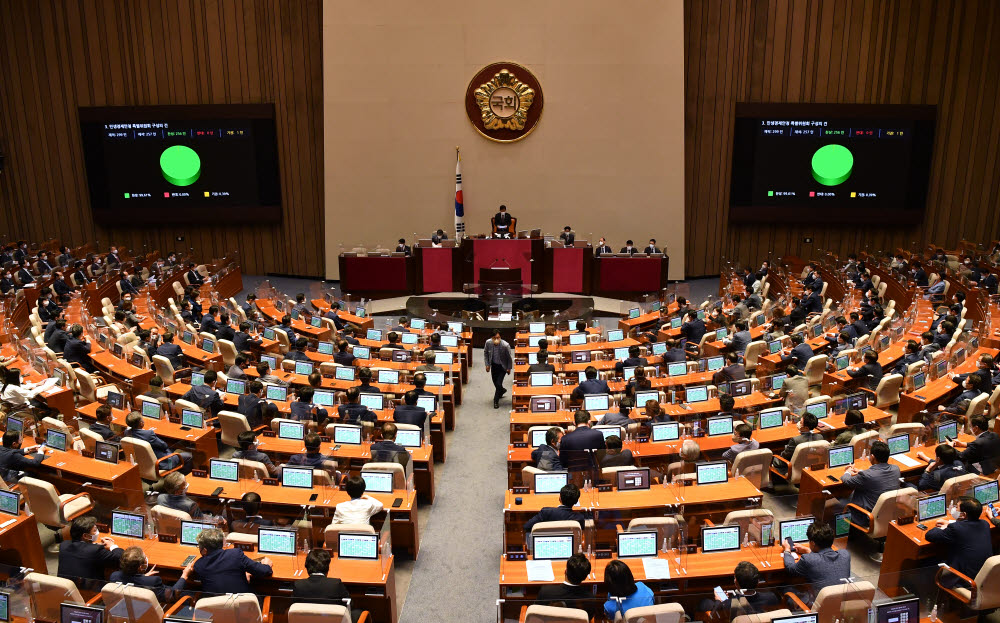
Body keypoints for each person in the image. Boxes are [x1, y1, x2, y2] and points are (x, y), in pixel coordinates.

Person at [925, 497, 993, 586]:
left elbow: (930, 535)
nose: (954, 509)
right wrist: (951, 524)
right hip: (985, 576)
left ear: (963, 515)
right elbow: (966, 527)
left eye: (956, 507)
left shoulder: (956, 528)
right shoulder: (985, 524)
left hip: (964, 579)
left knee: (926, 563)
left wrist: (943, 527)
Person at [842, 441, 900, 534]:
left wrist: (848, 471)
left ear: (872, 457)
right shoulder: (896, 469)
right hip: (887, 514)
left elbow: (847, 481)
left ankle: (845, 535)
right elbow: (878, 476)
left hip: (867, 517)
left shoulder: (867, 475)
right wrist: (861, 472)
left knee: (840, 503)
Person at [192, 528, 272, 594]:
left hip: (216, 610)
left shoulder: (199, 565)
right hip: (244, 608)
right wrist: (267, 565)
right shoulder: (235, 554)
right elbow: (264, 571)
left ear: (204, 550)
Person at [782, 523, 852, 599]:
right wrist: (808, 550)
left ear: (812, 543)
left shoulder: (808, 559)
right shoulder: (845, 555)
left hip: (820, 604)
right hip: (842, 601)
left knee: (785, 588)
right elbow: (823, 559)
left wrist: (787, 550)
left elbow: (791, 569)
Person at [58, 516, 123, 588]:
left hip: (66, 590)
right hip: (89, 592)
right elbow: (119, 558)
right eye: (95, 530)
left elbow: (83, 551)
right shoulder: (96, 550)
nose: (97, 532)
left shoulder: (64, 545)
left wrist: (94, 545)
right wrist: (112, 546)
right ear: (85, 536)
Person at [701, 561, 779, 620]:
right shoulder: (771, 597)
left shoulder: (727, 605)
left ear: (736, 582)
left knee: (705, 602)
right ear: (758, 581)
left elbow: (712, 618)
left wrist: (718, 601)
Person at [110, 546, 191, 602]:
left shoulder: (114, 576)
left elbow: (132, 581)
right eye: (145, 557)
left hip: (126, 610)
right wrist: (184, 575)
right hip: (148, 613)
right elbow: (173, 595)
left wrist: (143, 577)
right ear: (140, 567)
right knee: (190, 593)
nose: (146, 559)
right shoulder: (153, 581)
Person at [293, 549, 359, 618]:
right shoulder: (335, 584)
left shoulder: (298, 585)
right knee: (358, 613)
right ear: (327, 568)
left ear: (307, 567)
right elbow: (350, 605)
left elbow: (294, 608)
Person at [125, 411, 193, 474]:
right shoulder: (149, 434)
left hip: (144, 462)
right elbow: (164, 446)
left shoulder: (127, 432)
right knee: (189, 456)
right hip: (163, 462)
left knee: (175, 448)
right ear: (141, 423)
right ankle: (179, 478)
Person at [524, 484, 589, 533]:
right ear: (576, 502)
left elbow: (527, 527)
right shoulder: (579, 518)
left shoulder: (546, 512)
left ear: (559, 498)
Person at [484, 330, 513, 409]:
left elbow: (509, 358)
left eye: (498, 337)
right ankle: (502, 390)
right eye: (495, 338)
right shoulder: (488, 343)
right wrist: (487, 364)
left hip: (502, 367)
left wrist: (509, 368)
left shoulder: (505, 345)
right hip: (494, 365)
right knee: (495, 382)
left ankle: (496, 401)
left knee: (498, 383)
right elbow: (486, 353)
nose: (497, 339)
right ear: (492, 338)